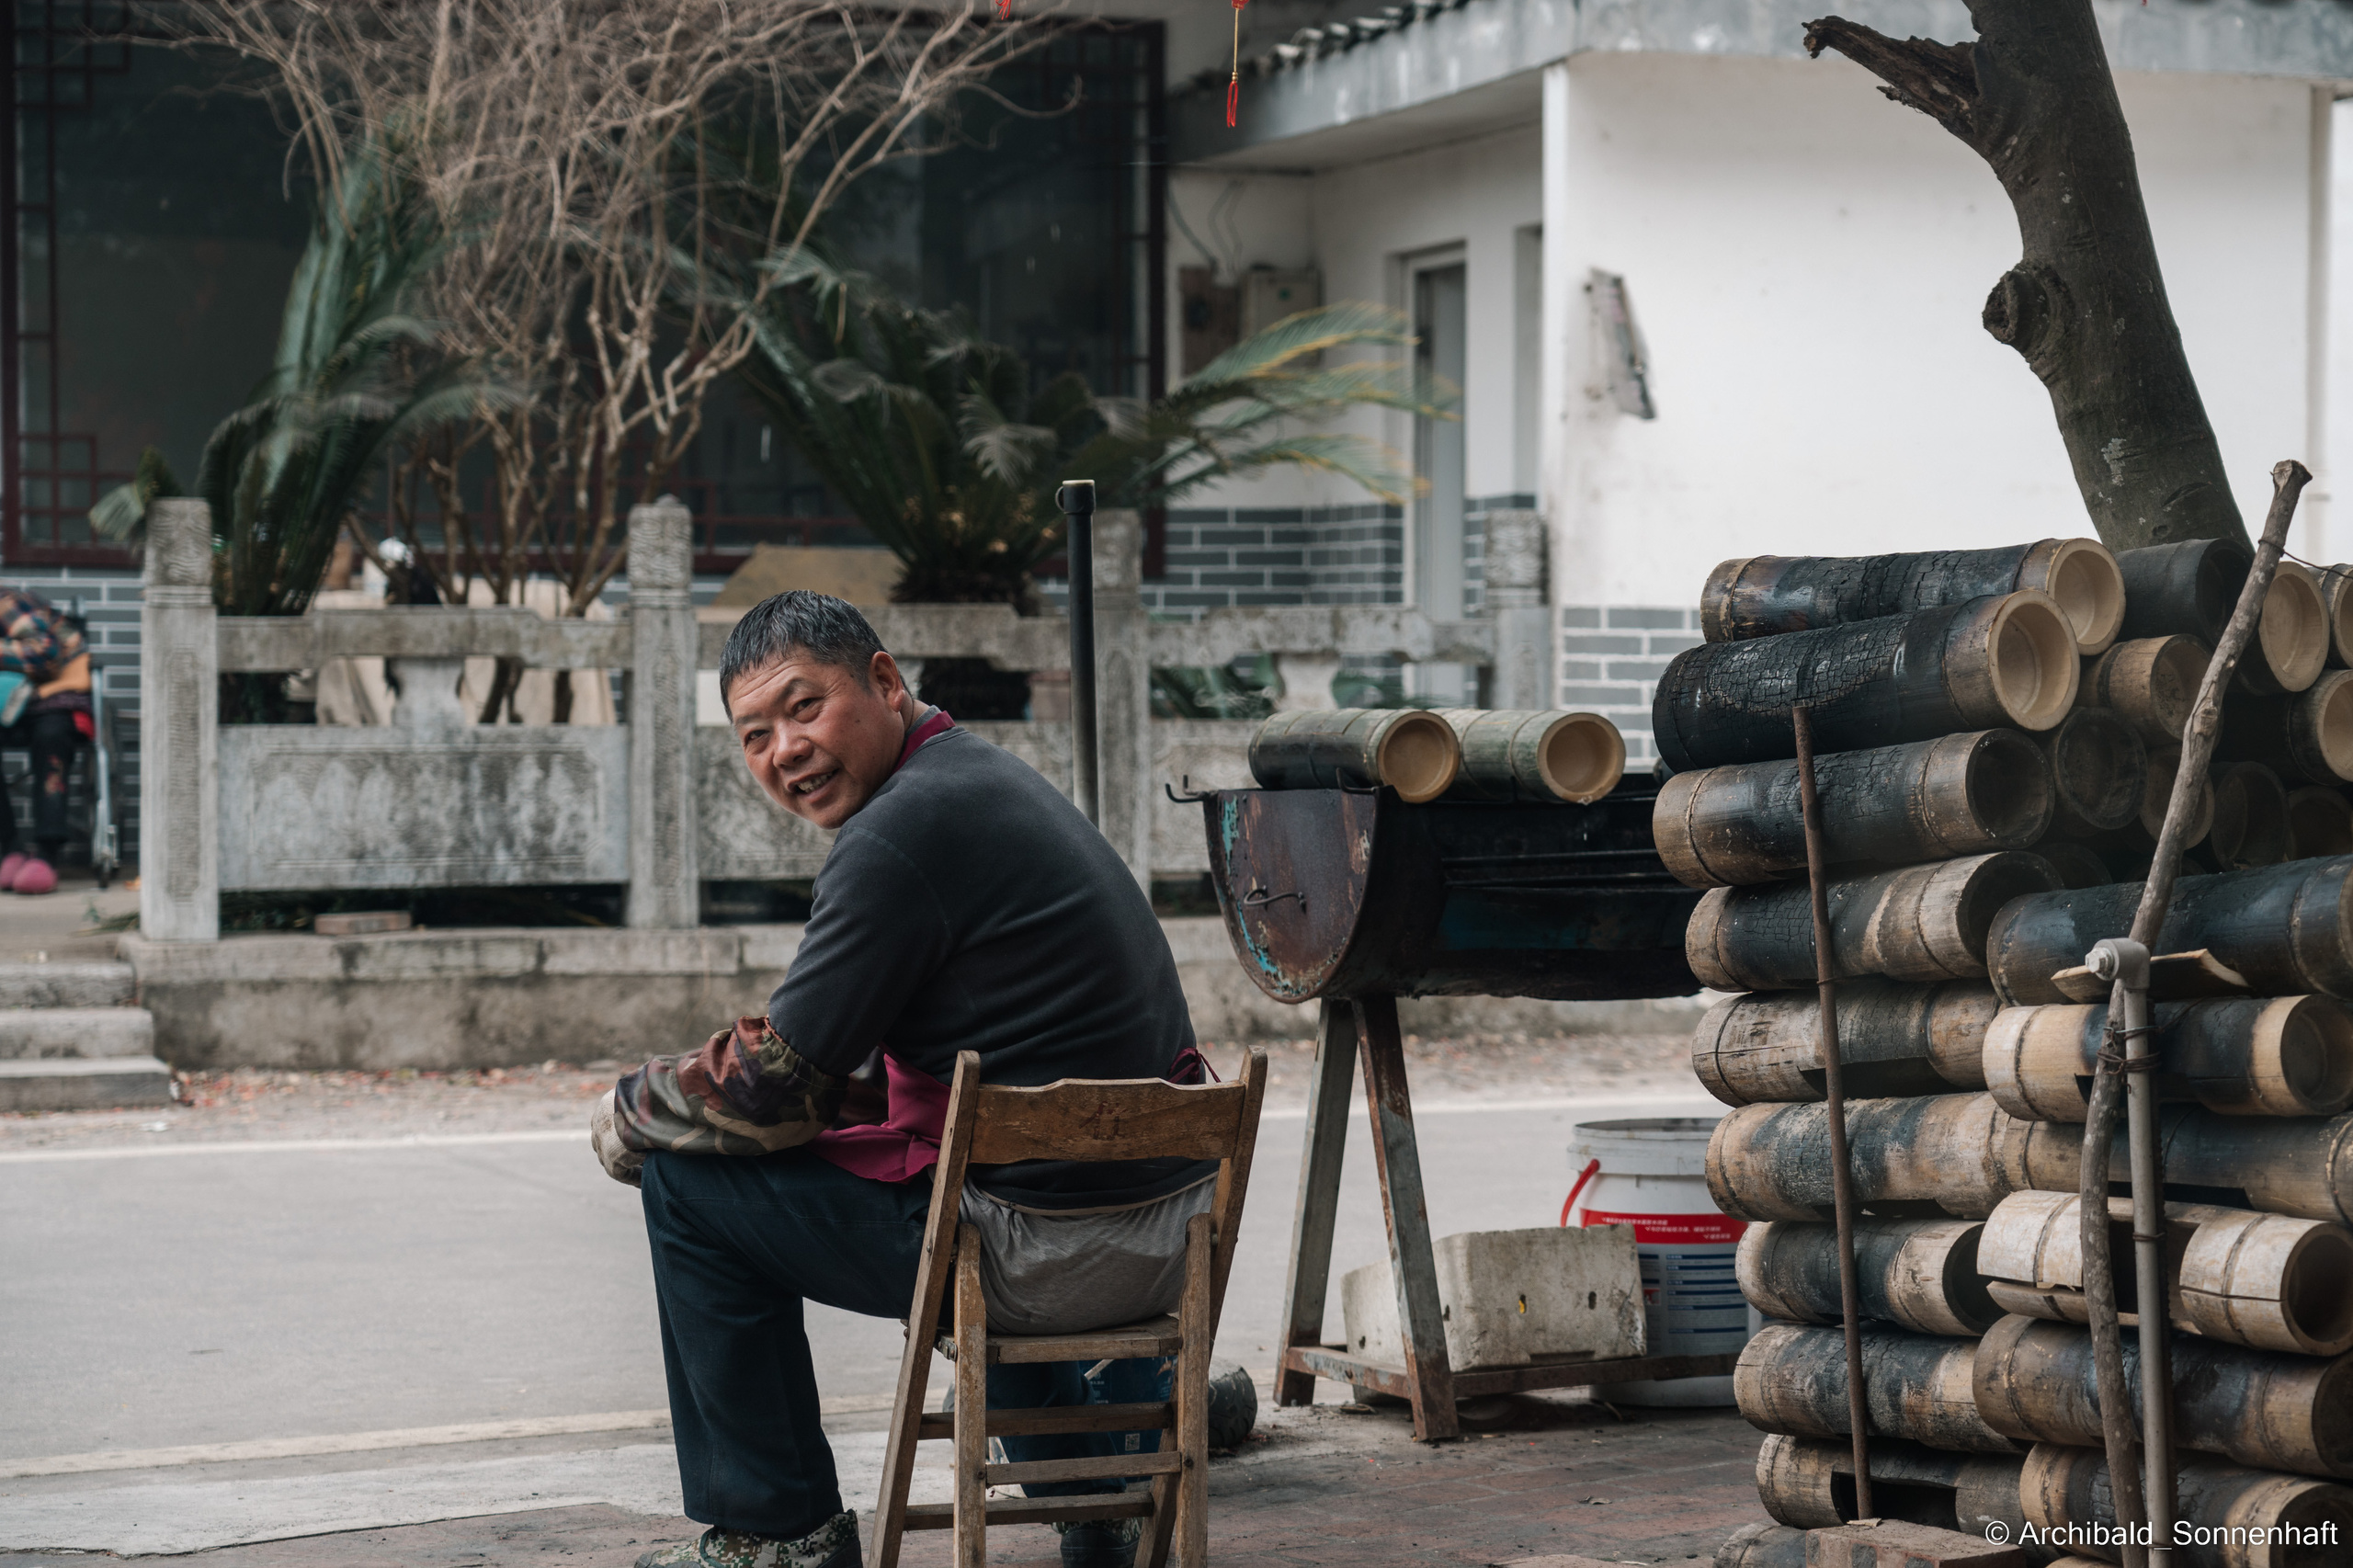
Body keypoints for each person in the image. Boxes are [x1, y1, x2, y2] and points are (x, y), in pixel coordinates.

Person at [593, 592, 1209, 1568]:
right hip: (1163, 1227)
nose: (785, 749)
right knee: (954, 1159)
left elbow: (781, 1086)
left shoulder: (895, 835)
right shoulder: (982, 782)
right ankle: (1090, 1483)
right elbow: (856, 1075)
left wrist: (634, 1108)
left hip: (1040, 1248)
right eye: (755, 735)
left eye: (804, 708)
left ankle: (781, 1530)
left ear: (884, 681)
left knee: (691, 1184)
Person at [0, 588, 91, 895]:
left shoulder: (8, 604)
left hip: (54, 696)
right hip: (10, 704)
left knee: (51, 736)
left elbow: (44, 652)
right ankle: (9, 849)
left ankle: (47, 854)